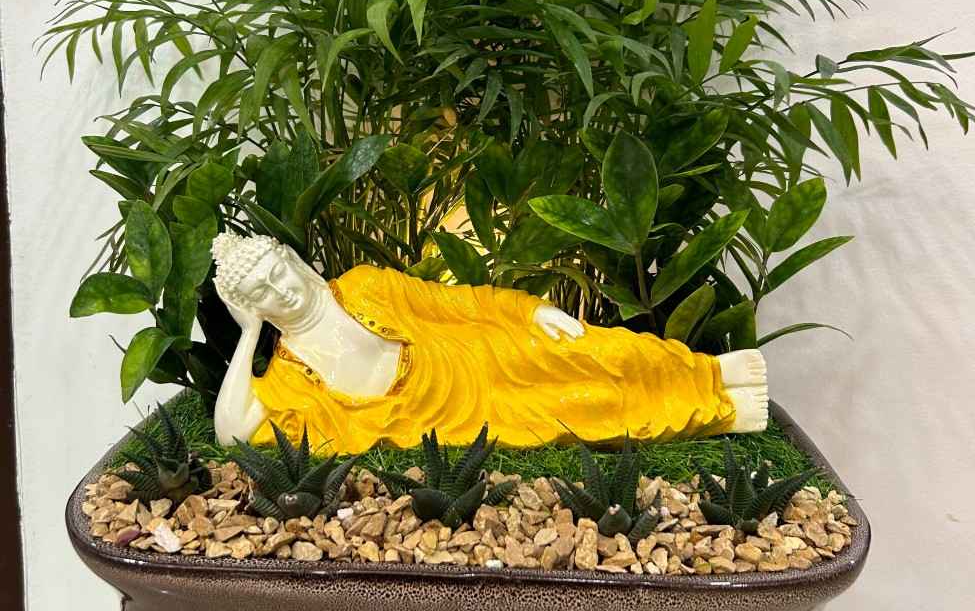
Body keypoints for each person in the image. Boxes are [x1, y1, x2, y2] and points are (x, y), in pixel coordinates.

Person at [211, 232, 768, 455]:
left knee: (593, 351)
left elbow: (456, 303)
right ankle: (720, 410)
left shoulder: (363, 287)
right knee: (589, 406)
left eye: (279, 274)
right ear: (253, 306)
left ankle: (711, 373)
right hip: (472, 419)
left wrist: (529, 309)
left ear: (293, 262)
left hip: (480, 352)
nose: (283, 291)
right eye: (263, 294)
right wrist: (249, 333)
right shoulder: (289, 379)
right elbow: (232, 432)